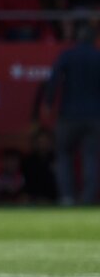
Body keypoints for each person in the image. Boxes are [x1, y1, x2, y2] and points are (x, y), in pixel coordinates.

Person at [42, 24, 100, 205]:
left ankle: (67, 197)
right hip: (94, 116)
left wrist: (48, 103)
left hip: (68, 116)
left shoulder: (67, 55)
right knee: (91, 157)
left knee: (64, 156)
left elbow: (53, 81)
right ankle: (88, 199)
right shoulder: (98, 57)